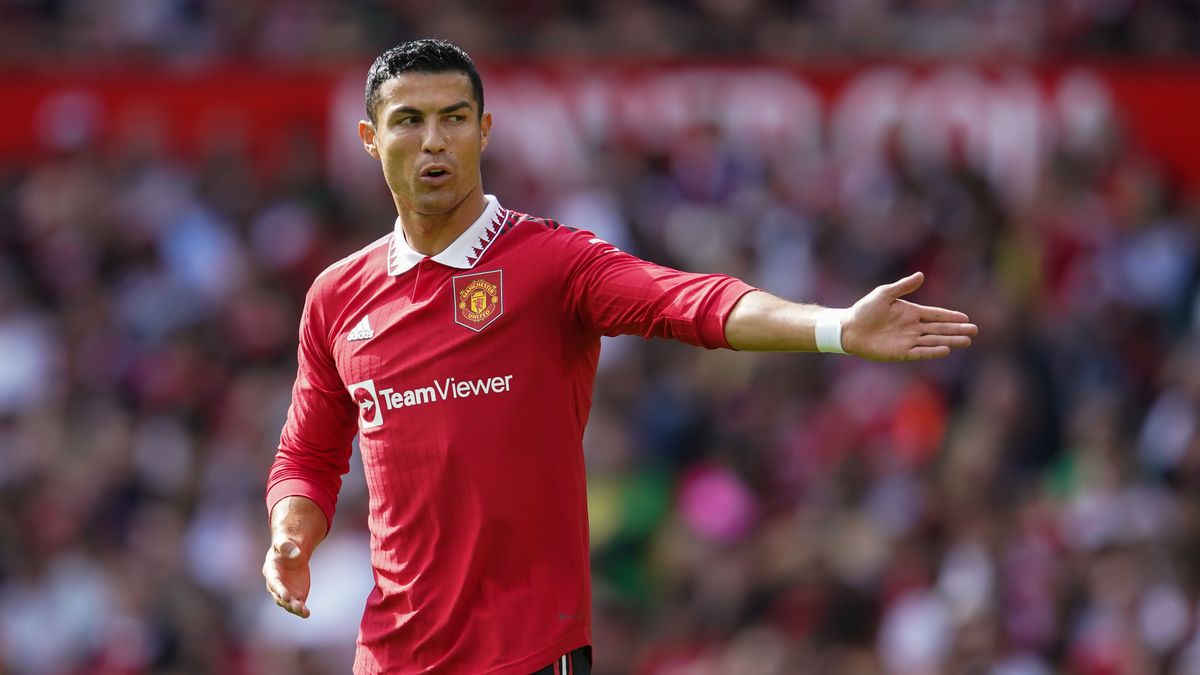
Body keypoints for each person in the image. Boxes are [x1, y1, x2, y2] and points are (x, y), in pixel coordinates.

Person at [262, 38, 977, 674]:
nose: (434, 141)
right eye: (409, 121)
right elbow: (309, 455)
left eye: (453, 118)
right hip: (391, 655)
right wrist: (291, 536)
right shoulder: (337, 296)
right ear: (368, 137)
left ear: (484, 130)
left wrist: (833, 327)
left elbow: (686, 301)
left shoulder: (550, 263)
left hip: (529, 653)